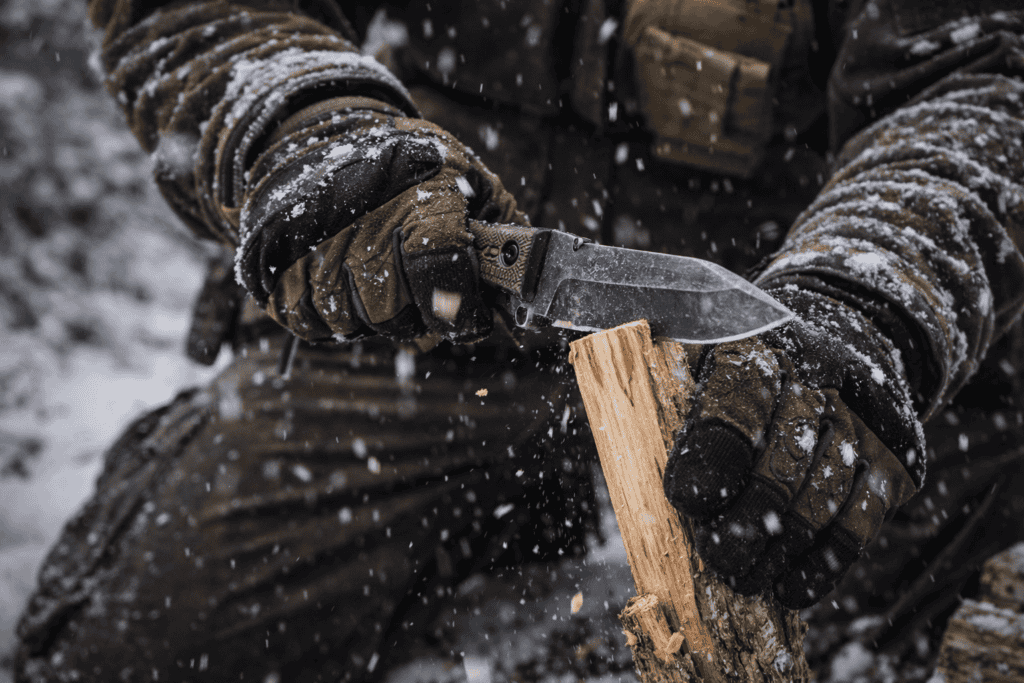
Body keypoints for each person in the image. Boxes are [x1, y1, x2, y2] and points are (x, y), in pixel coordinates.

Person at [14, 0, 1024, 680]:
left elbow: (988, 72)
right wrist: (308, 130)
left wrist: (873, 300)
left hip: (794, 348)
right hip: (429, 294)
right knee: (143, 645)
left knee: (853, 641)